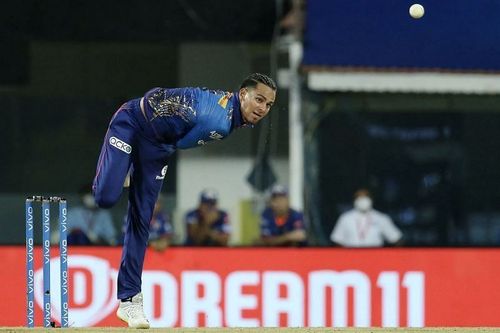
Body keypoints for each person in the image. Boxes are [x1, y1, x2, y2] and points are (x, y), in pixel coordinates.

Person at [92, 73, 276, 328]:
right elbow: (179, 142)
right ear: (243, 94)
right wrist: (143, 168)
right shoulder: (220, 124)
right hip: (131, 122)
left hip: (156, 145)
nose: (262, 108)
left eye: (268, 105)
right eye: (259, 99)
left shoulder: (230, 112)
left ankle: (129, 299)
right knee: (105, 198)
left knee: (142, 219)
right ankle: (125, 166)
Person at [330, 189, 403, 247]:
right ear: (354, 200)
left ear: (371, 199)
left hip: (375, 257)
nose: (363, 200)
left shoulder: (381, 218)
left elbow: (396, 239)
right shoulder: (345, 218)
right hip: (350, 257)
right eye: (360, 197)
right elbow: (337, 240)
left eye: (365, 197)